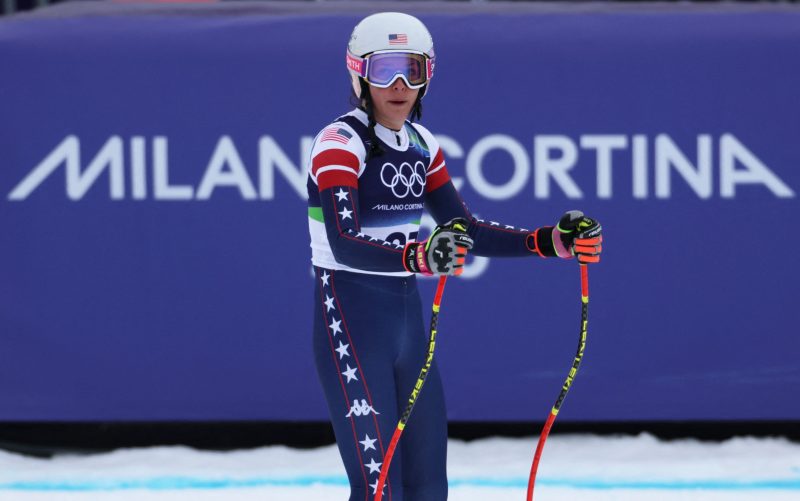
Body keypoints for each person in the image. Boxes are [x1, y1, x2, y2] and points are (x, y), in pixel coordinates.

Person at [306, 12, 603, 501]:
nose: (400, 85)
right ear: (359, 74)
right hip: (352, 329)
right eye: (385, 71)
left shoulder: (422, 144)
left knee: (428, 487)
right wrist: (419, 257)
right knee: (379, 489)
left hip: (407, 329)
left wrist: (551, 241)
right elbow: (343, 240)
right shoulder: (339, 143)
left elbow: (466, 229)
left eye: (413, 70)